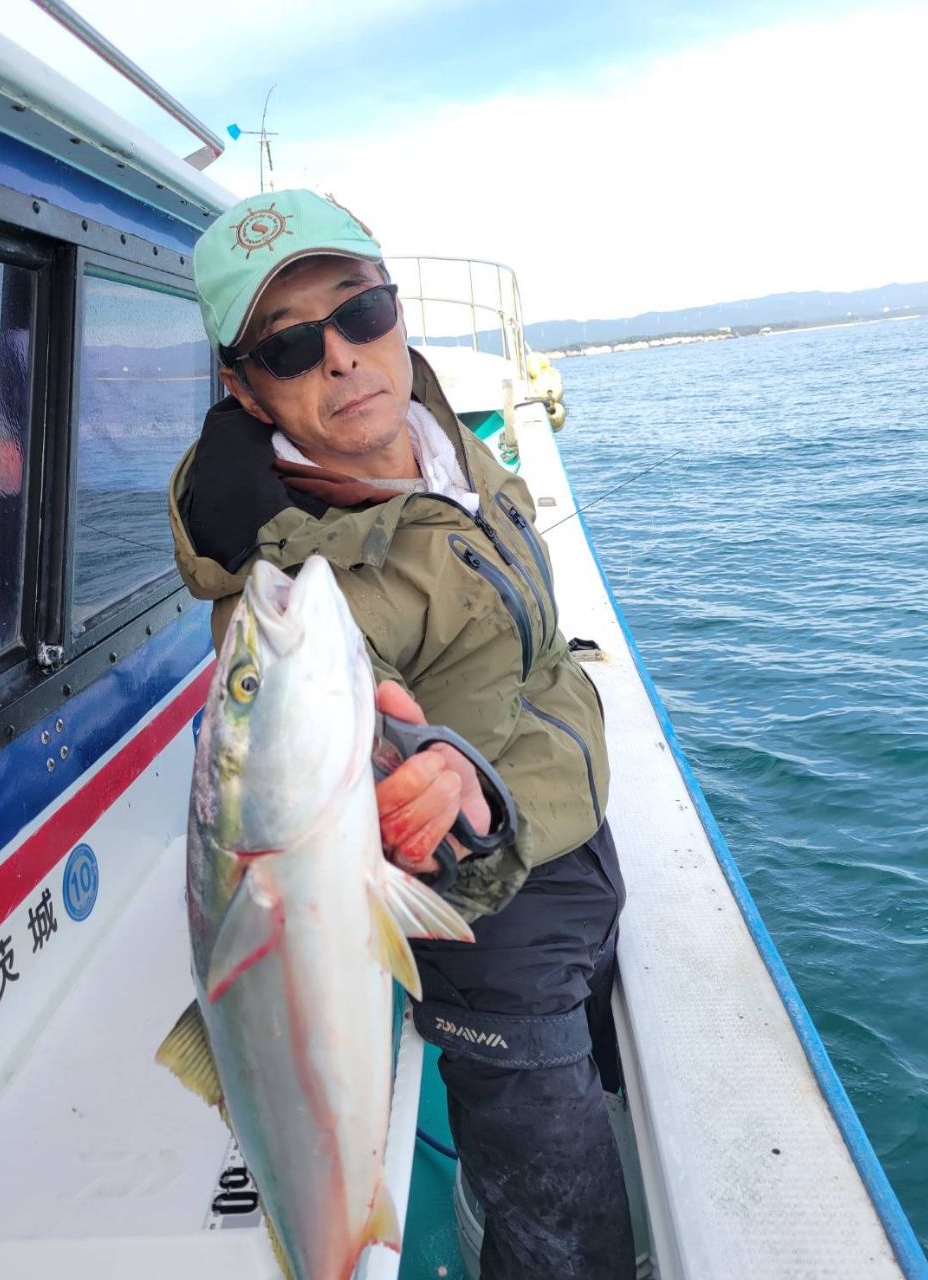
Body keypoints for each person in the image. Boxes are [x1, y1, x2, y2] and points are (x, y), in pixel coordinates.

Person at [170, 188, 635, 1278]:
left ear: (397, 312)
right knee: (563, 1219)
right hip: (490, 928)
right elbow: (317, 695)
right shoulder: (295, 579)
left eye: (362, 310)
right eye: (289, 343)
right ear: (244, 390)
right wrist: (435, 779)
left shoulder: (445, 451)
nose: (341, 356)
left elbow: (544, 653)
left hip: (571, 855)